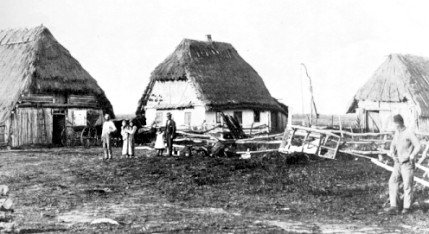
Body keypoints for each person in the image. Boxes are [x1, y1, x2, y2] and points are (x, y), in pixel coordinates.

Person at [385, 114, 420, 215]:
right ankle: (394, 206)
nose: (394, 125)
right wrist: (391, 150)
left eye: (395, 123)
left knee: (407, 185)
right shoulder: (397, 133)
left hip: (407, 164)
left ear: (400, 123)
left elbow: (418, 145)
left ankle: (407, 207)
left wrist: (413, 154)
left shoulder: (409, 133)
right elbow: (393, 144)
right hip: (397, 163)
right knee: (392, 182)